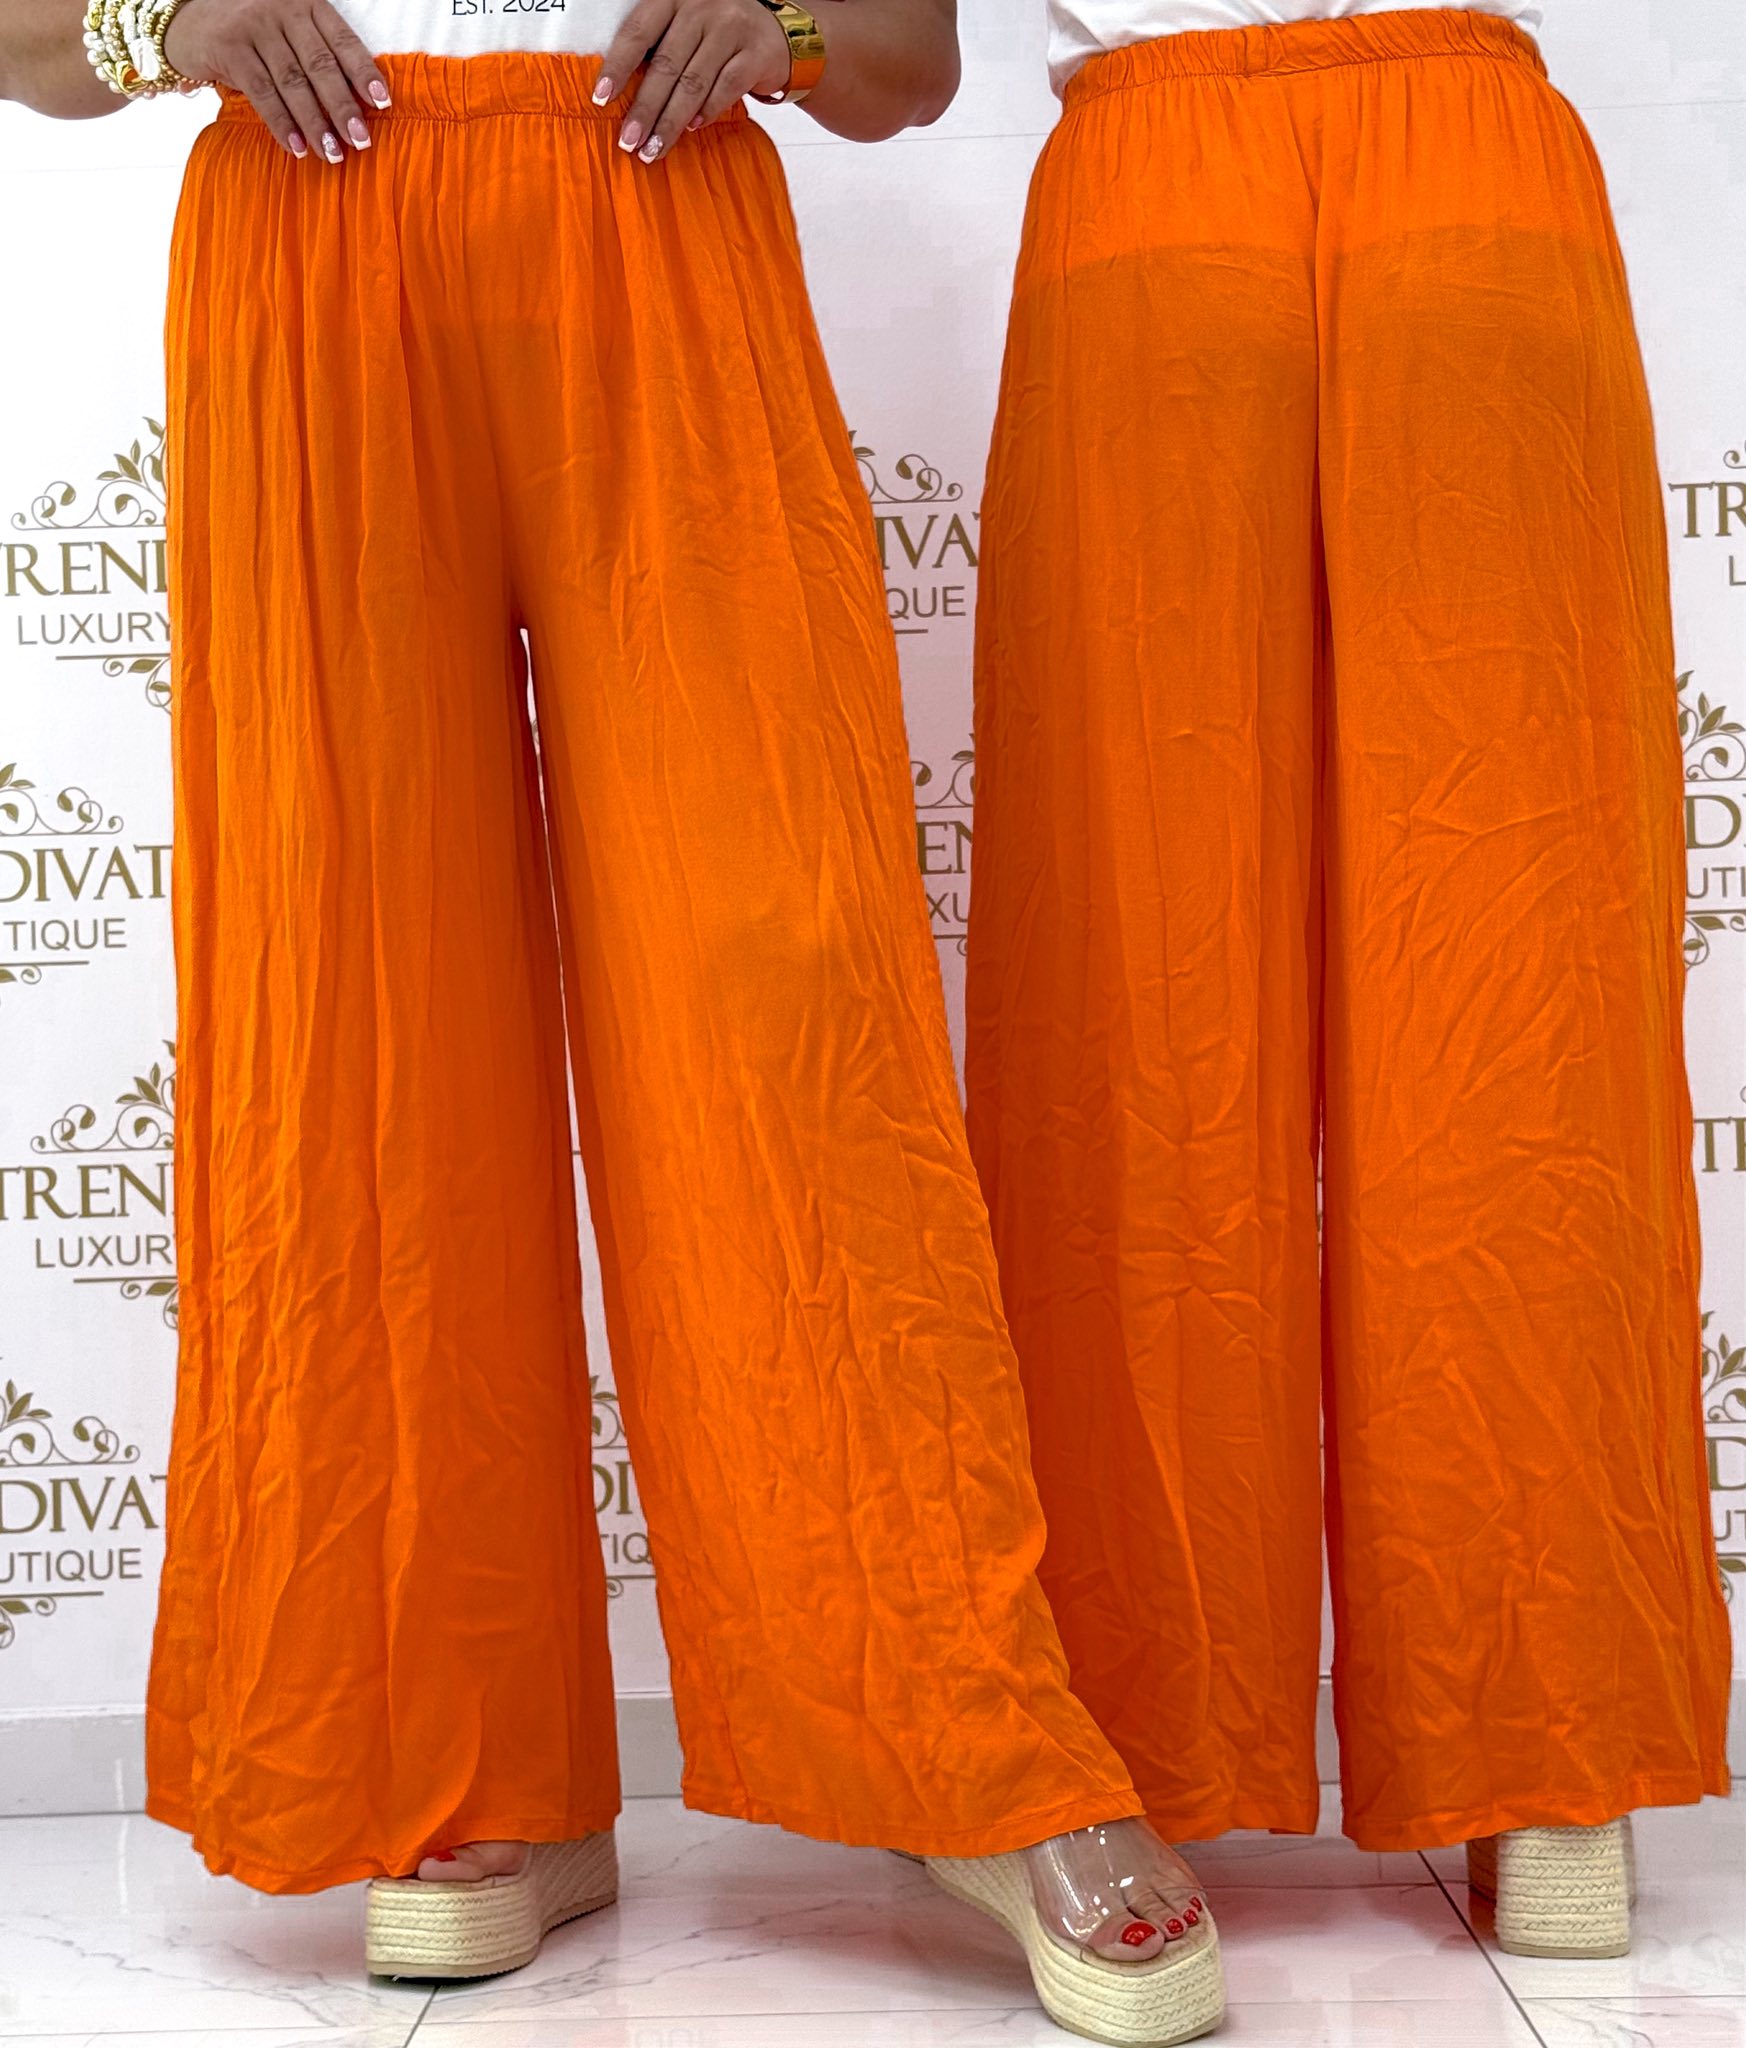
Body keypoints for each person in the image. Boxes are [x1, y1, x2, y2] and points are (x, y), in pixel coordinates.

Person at [0, 2, 1222, 2039]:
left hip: (657, 221)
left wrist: (784, 24)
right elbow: (24, 41)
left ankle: (970, 1737)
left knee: (783, 1003)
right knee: (355, 1013)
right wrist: (171, 19)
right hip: (307, 246)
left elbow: (910, 65)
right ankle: (467, 1764)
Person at [966, 0, 1733, 1964]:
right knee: (1512, 955)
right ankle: (1548, 1774)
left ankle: (1129, 1747)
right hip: (1476, 176)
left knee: (1136, 987)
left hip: (1148, 203)